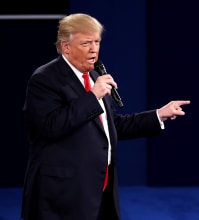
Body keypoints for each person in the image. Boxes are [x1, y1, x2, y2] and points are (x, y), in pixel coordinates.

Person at [20, 13, 190, 220]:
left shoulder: (93, 75)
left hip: (99, 187)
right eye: (86, 43)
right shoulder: (45, 79)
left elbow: (110, 126)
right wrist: (93, 96)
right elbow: (50, 127)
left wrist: (158, 115)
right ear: (66, 47)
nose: (94, 49)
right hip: (62, 194)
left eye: (97, 42)